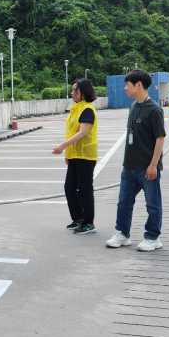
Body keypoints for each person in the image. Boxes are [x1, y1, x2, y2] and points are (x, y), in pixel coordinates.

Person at [106, 70, 166, 252]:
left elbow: (160, 138)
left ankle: (153, 237)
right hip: (129, 166)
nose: (125, 88)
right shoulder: (133, 107)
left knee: (152, 203)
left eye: (128, 85)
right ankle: (122, 234)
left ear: (138, 85)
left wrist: (153, 165)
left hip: (147, 167)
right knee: (124, 201)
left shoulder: (154, 110)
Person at [52, 78, 99, 235]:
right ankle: (78, 218)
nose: (72, 93)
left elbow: (83, 132)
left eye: (75, 90)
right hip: (75, 155)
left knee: (85, 189)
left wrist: (62, 147)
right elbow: (71, 131)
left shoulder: (87, 109)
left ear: (83, 92)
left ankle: (88, 223)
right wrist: (68, 154)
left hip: (85, 156)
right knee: (69, 187)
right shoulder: (76, 108)